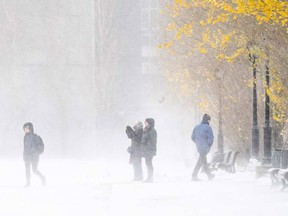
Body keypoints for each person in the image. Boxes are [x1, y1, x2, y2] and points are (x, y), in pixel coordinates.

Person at [191, 114, 214, 181]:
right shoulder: (208, 127)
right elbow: (211, 139)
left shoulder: (197, 127)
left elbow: (192, 137)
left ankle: (209, 175)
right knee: (201, 161)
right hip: (205, 147)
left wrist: (198, 142)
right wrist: (208, 145)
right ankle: (194, 176)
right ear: (208, 120)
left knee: (202, 161)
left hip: (199, 147)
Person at [23, 122, 46, 187]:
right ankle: (28, 183)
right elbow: (25, 148)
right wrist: (24, 156)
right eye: (24, 128)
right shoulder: (25, 137)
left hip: (34, 157)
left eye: (27, 128)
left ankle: (42, 177)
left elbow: (40, 147)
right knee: (27, 170)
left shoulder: (35, 137)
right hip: (27, 156)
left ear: (30, 129)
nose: (25, 130)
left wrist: (35, 153)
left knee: (34, 170)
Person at [141, 118, 157, 183]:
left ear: (150, 123)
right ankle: (149, 177)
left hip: (150, 150)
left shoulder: (152, 131)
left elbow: (152, 141)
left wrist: (147, 148)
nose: (145, 123)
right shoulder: (146, 130)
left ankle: (150, 178)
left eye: (146, 122)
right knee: (147, 163)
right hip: (146, 150)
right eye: (145, 122)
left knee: (149, 163)